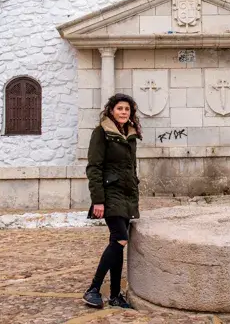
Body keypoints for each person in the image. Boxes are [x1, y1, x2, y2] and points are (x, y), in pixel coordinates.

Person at [82, 93, 142, 309]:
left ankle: (115, 295)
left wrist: (135, 188)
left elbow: (131, 167)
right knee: (120, 239)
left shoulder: (130, 134)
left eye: (127, 109)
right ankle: (93, 289)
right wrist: (98, 200)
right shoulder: (101, 133)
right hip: (111, 193)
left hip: (127, 194)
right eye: (119, 109)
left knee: (117, 243)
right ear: (111, 111)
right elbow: (94, 167)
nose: (123, 112)